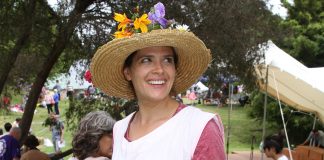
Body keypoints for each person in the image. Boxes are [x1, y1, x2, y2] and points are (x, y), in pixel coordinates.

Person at [90, 2, 225, 160]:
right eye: (146, 60)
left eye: (167, 60)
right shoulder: (120, 129)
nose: (159, 69)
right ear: (128, 72)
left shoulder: (199, 127)